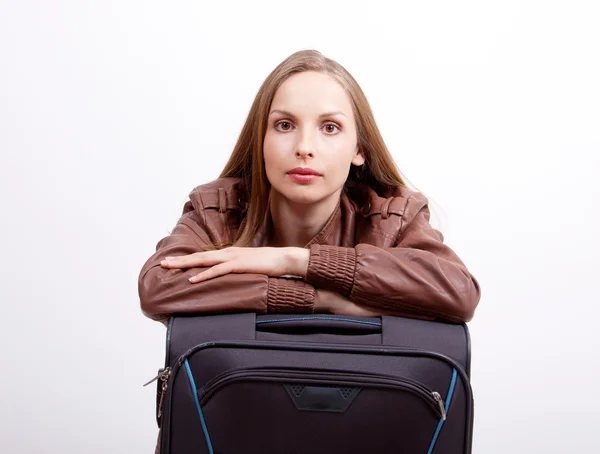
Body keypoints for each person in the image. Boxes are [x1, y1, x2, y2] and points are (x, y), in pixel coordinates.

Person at [138, 49, 481, 326]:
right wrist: (319, 299)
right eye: (285, 125)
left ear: (359, 149)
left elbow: (458, 290)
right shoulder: (219, 209)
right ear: (261, 140)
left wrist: (293, 260)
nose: (304, 147)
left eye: (329, 127)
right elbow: (158, 287)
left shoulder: (393, 217)